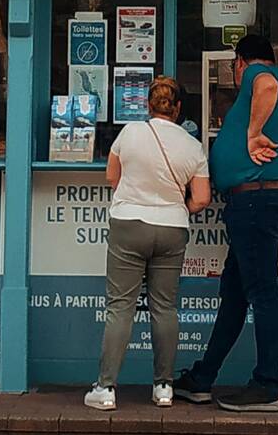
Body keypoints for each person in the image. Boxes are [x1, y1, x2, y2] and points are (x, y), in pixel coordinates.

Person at [177, 33, 278, 412]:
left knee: (262, 292)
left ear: (240, 61)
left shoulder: (260, 73)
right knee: (234, 295)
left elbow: (265, 83)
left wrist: (250, 133)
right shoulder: (270, 82)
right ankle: (202, 378)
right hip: (255, 201)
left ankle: (267, 384)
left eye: (234, 65)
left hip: (257, 200)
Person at [84, 75, 211, 411]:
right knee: (165, 308)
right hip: (171, 228)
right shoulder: (191, 145)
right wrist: (175, 207)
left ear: (147, 104)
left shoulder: (130, 133)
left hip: (129, 224)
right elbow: (201, 198)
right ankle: (164, 387)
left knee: (120, 307)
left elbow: (112, 177)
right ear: (179, 108)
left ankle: (106, 388)